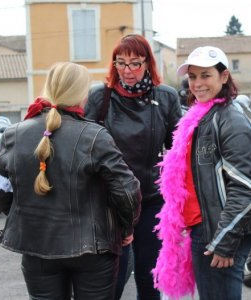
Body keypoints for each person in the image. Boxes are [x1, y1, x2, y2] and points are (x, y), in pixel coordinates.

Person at [0, 61, 142, 299]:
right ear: (82, 94)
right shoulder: (95, 136)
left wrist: (26, 215)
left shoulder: (14, 133)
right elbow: (127, 189)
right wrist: (126, 227)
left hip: (37, 247)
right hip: (93, 250)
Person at [152, 46, 251, 300]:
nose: (197, 84)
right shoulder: (203, 115)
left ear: (224, 76)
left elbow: (246, 189)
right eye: (193, 76)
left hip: (218, 230)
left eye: (206, 75)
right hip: (206, 226)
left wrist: (224, 240)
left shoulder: (231, 120)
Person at [85, 34, 182, 300]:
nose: (127, 71)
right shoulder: (99, 96)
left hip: (150, 198)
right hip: (110, 202)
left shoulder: (166, 97)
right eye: (121, 63)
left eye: (135, 63)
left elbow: (179, 149)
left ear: (148, 63)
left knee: (149, 277)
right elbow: (83, 147)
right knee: (111, 280)